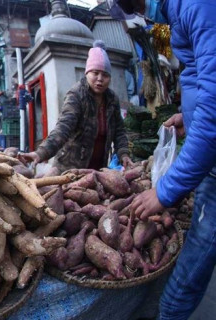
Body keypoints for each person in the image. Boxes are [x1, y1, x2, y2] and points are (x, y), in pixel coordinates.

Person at [108, 1, 216, 319]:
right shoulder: (178, 13)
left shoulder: (195, 6)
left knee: (184, 281)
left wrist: (164, 192)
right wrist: (190, 117)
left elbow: (213, 117)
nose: (143, 14)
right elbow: (201, 80)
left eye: (138, 6)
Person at [18, 40, 132, 173]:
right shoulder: (77, 95)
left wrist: (123, 154)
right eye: (95, 73)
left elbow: (119, 130)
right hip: (70, 168)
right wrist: (41, 153)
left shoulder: (112, 99)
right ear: (87, 73)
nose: (100, 78)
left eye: (105, 75)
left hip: (97, 168)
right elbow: (63, 128)